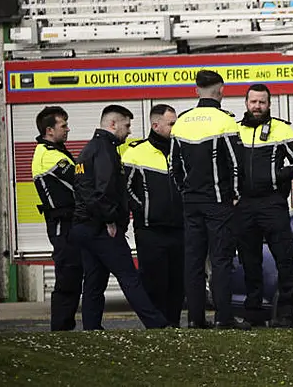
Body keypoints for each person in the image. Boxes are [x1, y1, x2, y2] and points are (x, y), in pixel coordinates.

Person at [70, 105, 169, 330]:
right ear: (113, 124)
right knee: (129, 277)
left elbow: (85, 190)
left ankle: (92, 327)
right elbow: (103, 191)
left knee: (94, 281)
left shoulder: (89, 149)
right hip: (100, 227)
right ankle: (157, 324)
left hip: (84, 227)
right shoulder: (105, 149)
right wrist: (110, 220)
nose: (129, 131)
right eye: (127, 125)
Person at [170, 70, 250, 330]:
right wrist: (235, 195)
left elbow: (174, 167)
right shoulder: (225, 121)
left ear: (196, 91)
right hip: (218, 202)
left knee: (193, 262)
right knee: (221, 260)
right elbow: (236, 164)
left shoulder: (181, 122)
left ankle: (195, 319)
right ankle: (223, 317)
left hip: (191, 203)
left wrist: (186, 192)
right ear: (222, 91)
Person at [237, 84, 293, 327]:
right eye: (253, 102)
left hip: (273, 204)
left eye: (262, 102)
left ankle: (286, 314)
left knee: (285, 260)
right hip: (245, 206)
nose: (257, 106)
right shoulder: (235, 131)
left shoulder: (282, 129)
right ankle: (253, 315)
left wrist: (274, 176)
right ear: (246, 103)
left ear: (269, 104)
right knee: (250, 261)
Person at [123, 104, 185, 327]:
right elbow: (126, 189)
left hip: (180, 229)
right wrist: (144, 210)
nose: (175, 128)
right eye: (171, 124)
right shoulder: (135, 152)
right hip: (150, 231)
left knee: (178, 283)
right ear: (155, 125)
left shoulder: (180, 150)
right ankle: (157, 327)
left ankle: (174, 326)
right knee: (154, 282)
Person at [31, 106, 82, 331]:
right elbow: (78, 182)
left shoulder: (56, 151)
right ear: (49, 130)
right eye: (63, 125)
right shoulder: (48, 155)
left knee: (74, 272)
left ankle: (65, 325)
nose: (68, 129)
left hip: (69, 223)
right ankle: (61, 328)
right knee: (68, 274)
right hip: (62, 223)